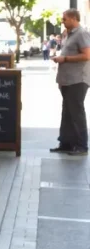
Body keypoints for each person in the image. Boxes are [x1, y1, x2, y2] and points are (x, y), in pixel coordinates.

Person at [51, 8, 90, 157]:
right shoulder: (68, 35)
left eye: (65, 18)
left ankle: (82, 145)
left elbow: (87, 55)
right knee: (67, 112)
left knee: (76, 112)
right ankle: (66, 143)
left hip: (78, 79)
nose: (63, 21)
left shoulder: (82, 33)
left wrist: (65, 59)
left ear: (74, 18)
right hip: (67, 80)